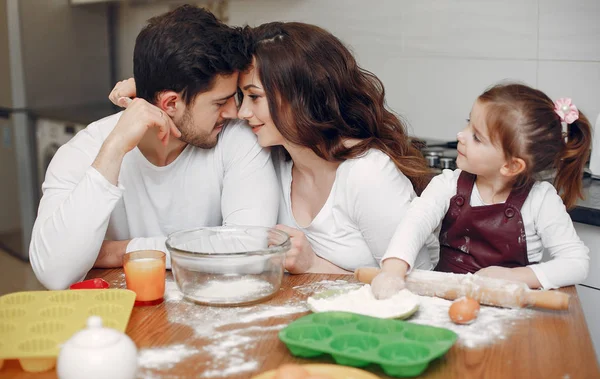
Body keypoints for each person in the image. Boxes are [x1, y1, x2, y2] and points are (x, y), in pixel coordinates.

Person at [111, 22, 439, 274]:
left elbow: (419, 285)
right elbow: (193, 94)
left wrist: (316, 266)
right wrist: (147, 90)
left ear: (302, 97)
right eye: (240, 97)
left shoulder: (367, 175)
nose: (241, 113)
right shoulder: (275, 157)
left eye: (254, 97)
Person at [29, 6, 279, 290]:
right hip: (121, 320)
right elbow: (53, 272)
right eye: (220, 103)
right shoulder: (85, 150)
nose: (236, 112)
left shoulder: (237, 139)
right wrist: (114, 149)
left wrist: (115, 251)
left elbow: (249, 250)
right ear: (171, 104)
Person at [372, 83, 591, 299]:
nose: (461, 135)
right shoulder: (448, 184)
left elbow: (576, 262)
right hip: (446, 303)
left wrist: (514, 277)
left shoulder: (541, 201)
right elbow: (415, 222)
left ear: (511, 166)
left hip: (509, 313)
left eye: (477, 136)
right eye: (469, 123)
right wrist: (393, 269)